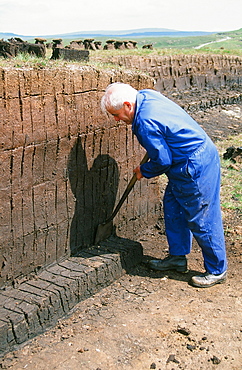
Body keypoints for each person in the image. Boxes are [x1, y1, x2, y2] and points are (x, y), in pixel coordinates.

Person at [101, 82, 227, 288]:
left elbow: (162, 161)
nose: (116, 120)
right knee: (173, 208)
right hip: (188, 161)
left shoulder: (144, 123)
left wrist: (145, 170)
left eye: (116, 114)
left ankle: (217, 269)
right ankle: (177, 258)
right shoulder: (145, 95)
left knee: (201, 217)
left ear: (127, 105)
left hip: (193, 165)